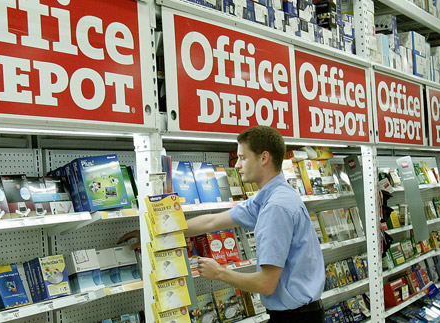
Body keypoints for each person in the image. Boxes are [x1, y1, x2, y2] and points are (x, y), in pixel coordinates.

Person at [119, 126, 325, 322]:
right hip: (299, 314)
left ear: (264, 158)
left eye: (243, 158)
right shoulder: (270, 197)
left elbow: (266, 283)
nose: (237, 165)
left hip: (296, 317)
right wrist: (154, 231)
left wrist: (219, 273)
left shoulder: (275, 207)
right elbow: (213, 220)